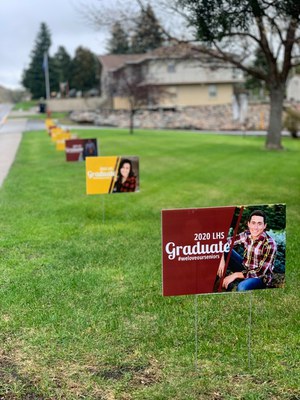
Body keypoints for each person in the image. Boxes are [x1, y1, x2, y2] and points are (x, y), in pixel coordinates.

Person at [217, 210, 277, 291]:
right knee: (225, 251)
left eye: (259, 224)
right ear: (248, 224)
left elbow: (260, 272)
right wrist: (221, 259)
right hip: (245, 268)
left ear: (264, 226)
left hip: (259, 278)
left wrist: (235, 275)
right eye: (253, 223)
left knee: (242, 287)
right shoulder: (246, 235)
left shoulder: (270, 244)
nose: (255, 227)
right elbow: (224, 242)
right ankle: (214, 281)